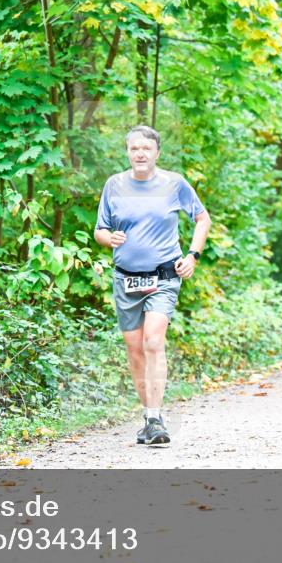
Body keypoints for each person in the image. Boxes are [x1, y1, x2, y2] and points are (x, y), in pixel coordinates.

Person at [95, 125, 211, 445]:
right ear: (128, 152)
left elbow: (202, 219)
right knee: (135, 350)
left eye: (146, 148)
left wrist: (193, 255)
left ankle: (156, 418)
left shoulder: (174, 184)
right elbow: (100, 230)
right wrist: (110, 238)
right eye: (134, 148)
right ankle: (148, 415)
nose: (140, 153)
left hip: (163, 276)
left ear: (157, 152)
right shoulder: (114, 185)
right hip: (126, 278)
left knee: (153, 341)